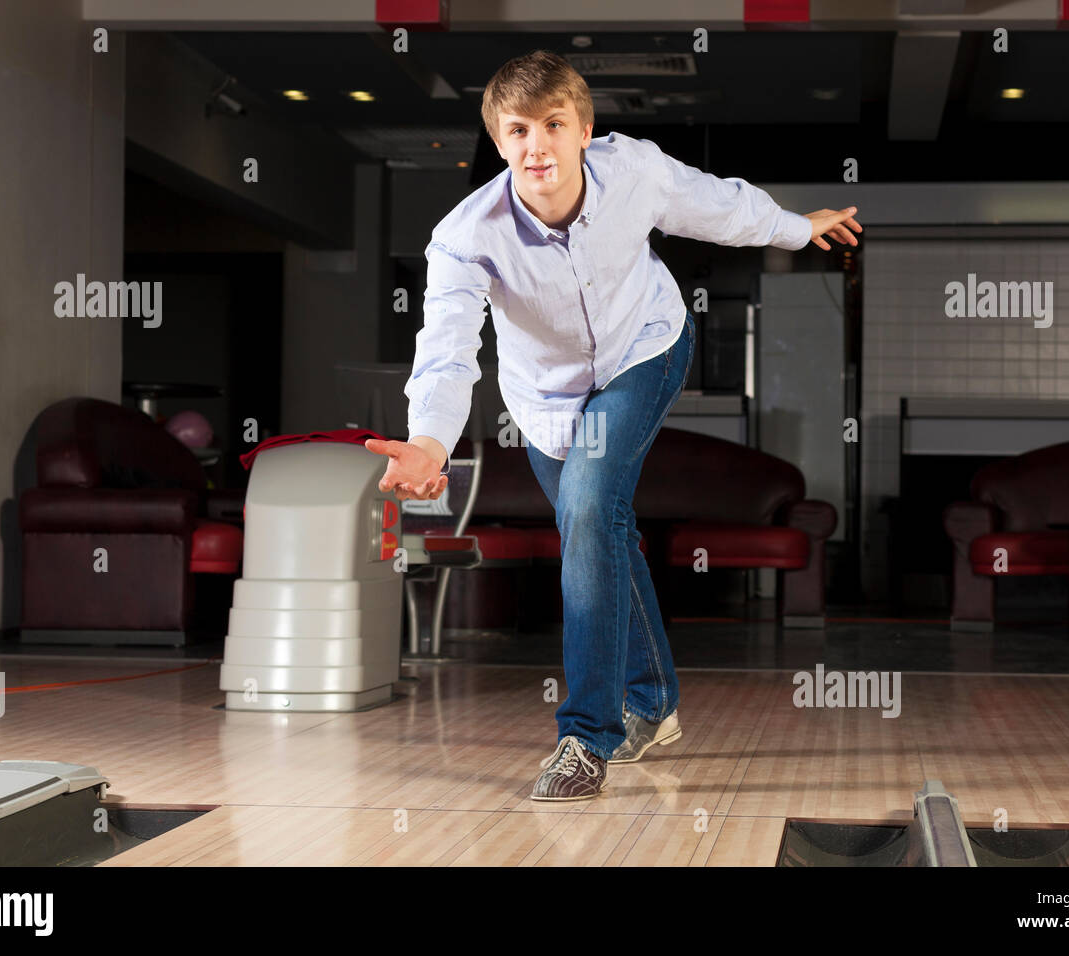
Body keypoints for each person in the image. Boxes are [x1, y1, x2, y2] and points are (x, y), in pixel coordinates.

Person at [366, 49, 861, 801]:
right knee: (597, 530)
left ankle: (584, 737)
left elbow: (718, 206)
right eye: (518, 130)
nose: (537, 146)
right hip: (546, 400)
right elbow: (445, 349)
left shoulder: (634, 171)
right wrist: (430, 439)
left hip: (645, 349)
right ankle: (652, 701)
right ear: (499, 143)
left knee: (591, 510)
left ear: (584, 129)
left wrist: (797, 227)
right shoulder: (466, 237)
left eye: (553, 125)